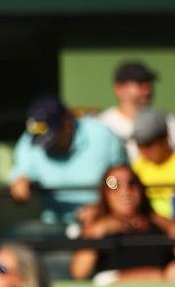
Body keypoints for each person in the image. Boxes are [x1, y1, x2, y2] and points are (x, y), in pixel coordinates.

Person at [9, 95, 128, 226]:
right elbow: (20, 177)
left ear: (67, 123)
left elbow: (118, 181)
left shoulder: (102, 136)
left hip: (100, 225)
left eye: (52, 138)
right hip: (54, 227)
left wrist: (101, 207)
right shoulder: (29, 142)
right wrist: (20, 183)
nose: (48, 147)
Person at [69, 165, 175, 284]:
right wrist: (96, 231)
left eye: (132, 183)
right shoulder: (98, 228)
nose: (125, 191)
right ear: (105, 193)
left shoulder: (161, 225)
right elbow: (79, 273)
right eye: (114, 184)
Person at [98, 60, 175, 161]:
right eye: (139, 83)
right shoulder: (103, 125)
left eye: (149, 83)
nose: (147, 89)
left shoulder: (168, 121)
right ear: (119, 89)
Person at [131, 107, 175, 219]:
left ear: (165, 139)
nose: (143, 151)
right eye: (139, 145)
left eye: (148, 144)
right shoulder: (137, 167)